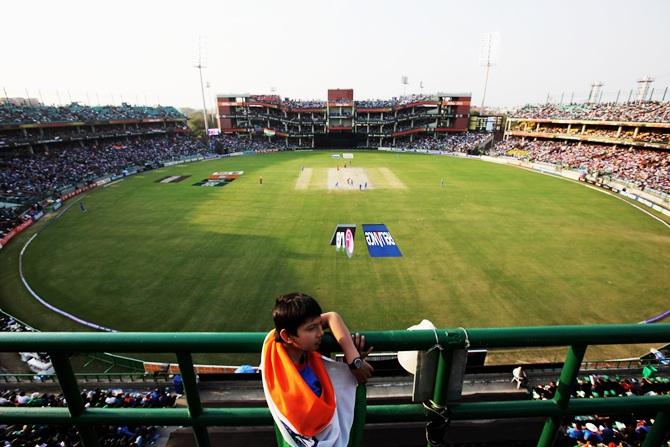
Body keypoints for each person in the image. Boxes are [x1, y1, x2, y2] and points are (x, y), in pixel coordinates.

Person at [261, 292, 373, 447]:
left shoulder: (274, 349)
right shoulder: (284, 375)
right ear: (287, 336)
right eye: (312, 328)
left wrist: (354, 360)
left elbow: (332, 316)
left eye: (319, 325)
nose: (320, 332)